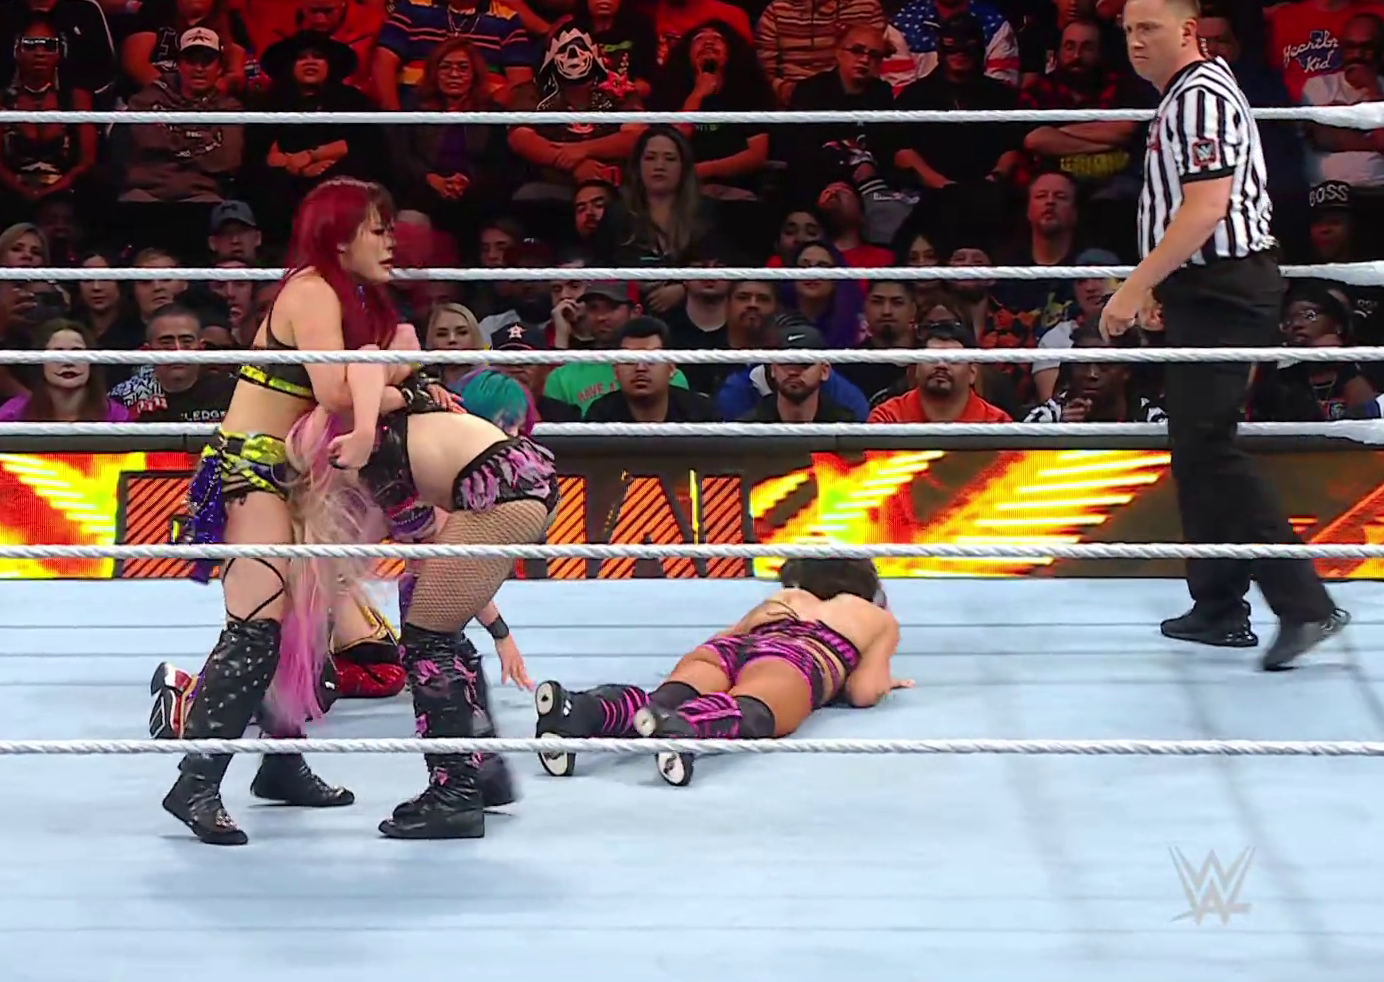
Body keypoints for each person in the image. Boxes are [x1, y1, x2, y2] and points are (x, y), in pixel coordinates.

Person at [162, 178, 452, 846]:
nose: (391, 241)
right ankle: (194, 783)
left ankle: (281, 766)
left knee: (307, 627)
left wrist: (391, 367)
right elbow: (338, 391)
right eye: (377, 229)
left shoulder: (355, 297)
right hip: (252, 470)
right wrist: (402, 372)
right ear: (338, 237)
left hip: (299, 473)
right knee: (257, 627)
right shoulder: (314, 291)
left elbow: (374, 373)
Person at [1101, 0, 1346, 669]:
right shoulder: (1182, 96)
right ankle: (1217, 604)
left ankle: (1306, 604)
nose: (1135, 42)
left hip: (1228, 289)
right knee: (1193, 444)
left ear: (1188, 30)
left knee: (1210, 445)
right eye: (1128, 31)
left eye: (1148, 28)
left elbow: (1207, 207)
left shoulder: (1200, 96)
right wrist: (1162, 283)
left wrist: (1134, 286)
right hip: (1201, 287)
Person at [279, 368, 558, 838]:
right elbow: (429, 557)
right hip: (515, 482)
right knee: (437, 630)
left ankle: (454, 794)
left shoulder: (367, 443)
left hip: (503, 488)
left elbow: (367, 368)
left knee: (427, 641)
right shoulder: (397, 457)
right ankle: (483, 773)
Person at [533, 559, 908, 786]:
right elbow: (863, 692)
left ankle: (580, 710)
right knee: (751, 708)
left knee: (660, 701)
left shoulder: (786, 598)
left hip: (731, 648)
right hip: (797, 655)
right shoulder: (873, 617)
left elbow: (725, 638)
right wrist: (882, 681)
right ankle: (685, 728)